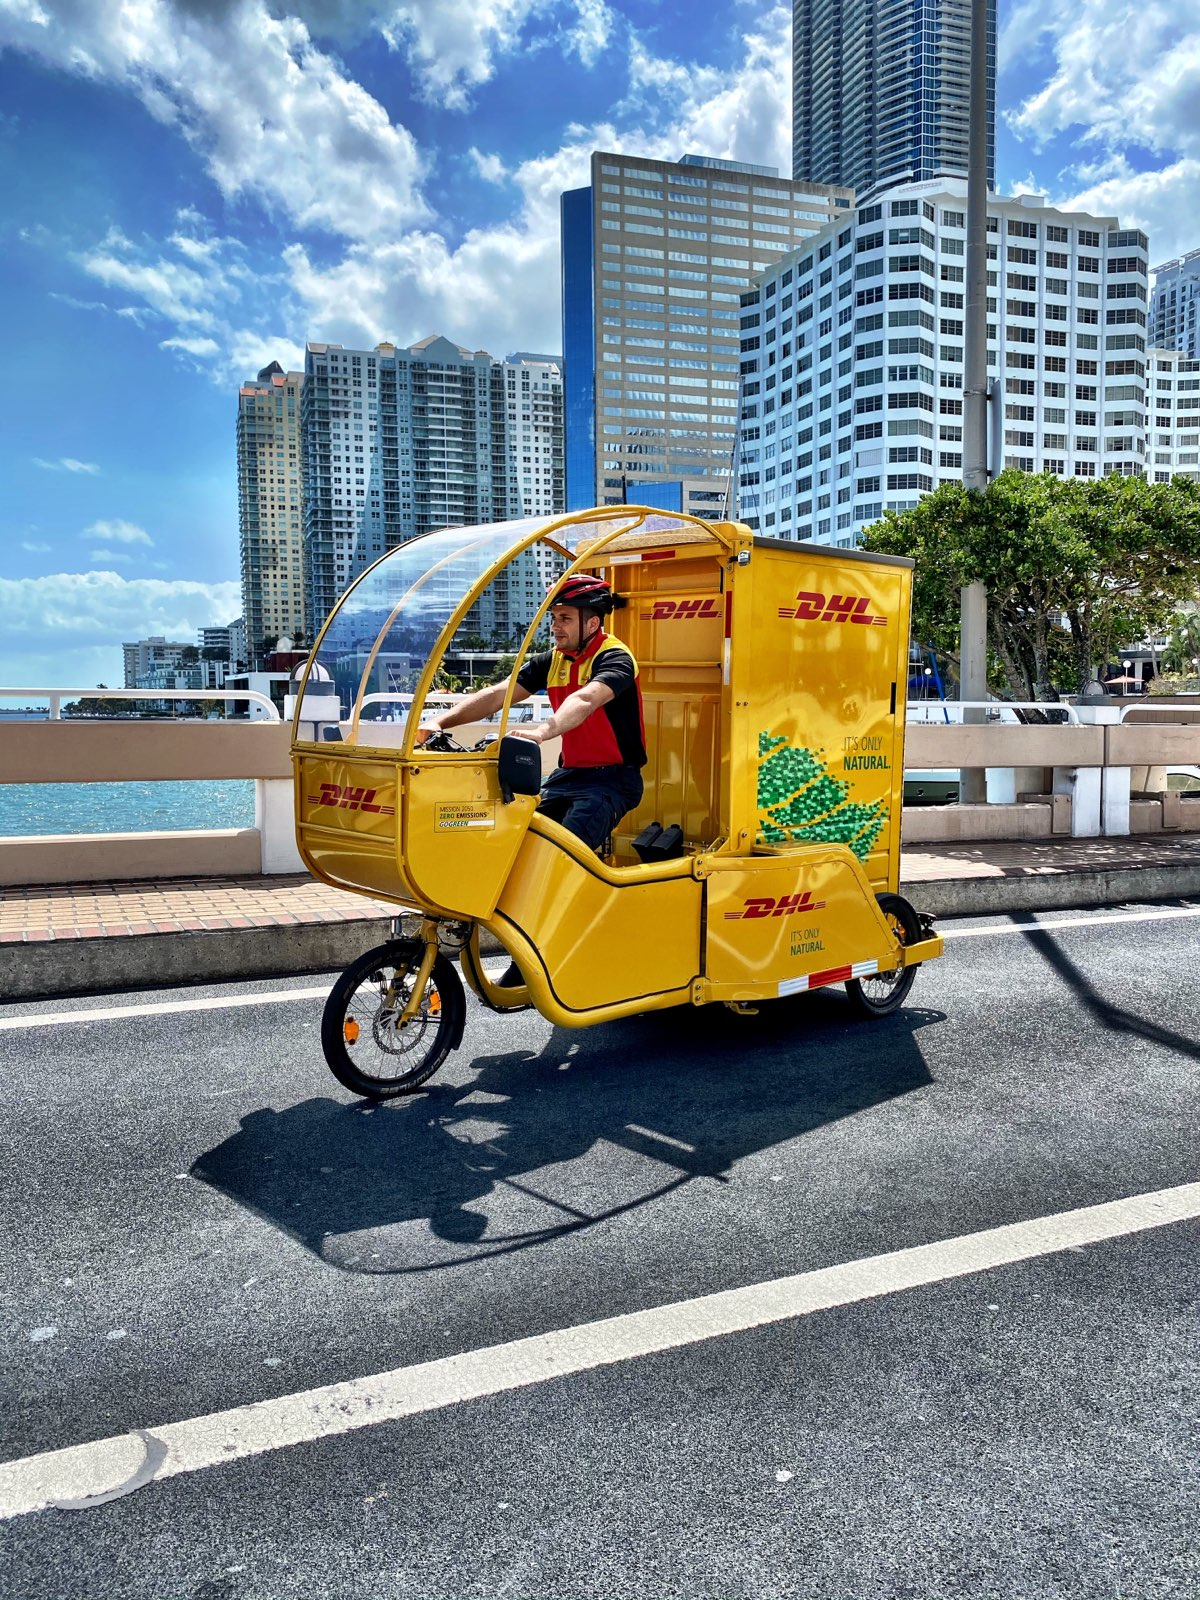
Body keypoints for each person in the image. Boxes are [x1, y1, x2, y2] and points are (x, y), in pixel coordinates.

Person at [421, 573, 647, 851]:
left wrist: (541, 732)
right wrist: (439, 721)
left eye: (565, 619)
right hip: (569, 774)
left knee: (561, 854)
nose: (555, 627)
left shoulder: (615, 657)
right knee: (518, 841)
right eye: (554, 618)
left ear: (592, 623)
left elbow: (586, 699)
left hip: (611, 780)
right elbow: (497, 694)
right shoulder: (553, 660)